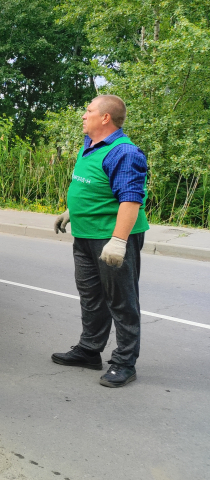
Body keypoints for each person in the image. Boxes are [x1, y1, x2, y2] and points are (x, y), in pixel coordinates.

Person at [52, 94, 149, 388]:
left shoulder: (124, 152)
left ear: (105, 117)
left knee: (121, 301)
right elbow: (97, 186)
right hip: (84, 234)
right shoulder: (90, 146)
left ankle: (124, 363)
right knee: (91, 296)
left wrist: (118, 241)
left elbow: (130, 200)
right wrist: (72, 210)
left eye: (89, 110)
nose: (84, 115)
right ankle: (89, 350)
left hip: (111, 238)